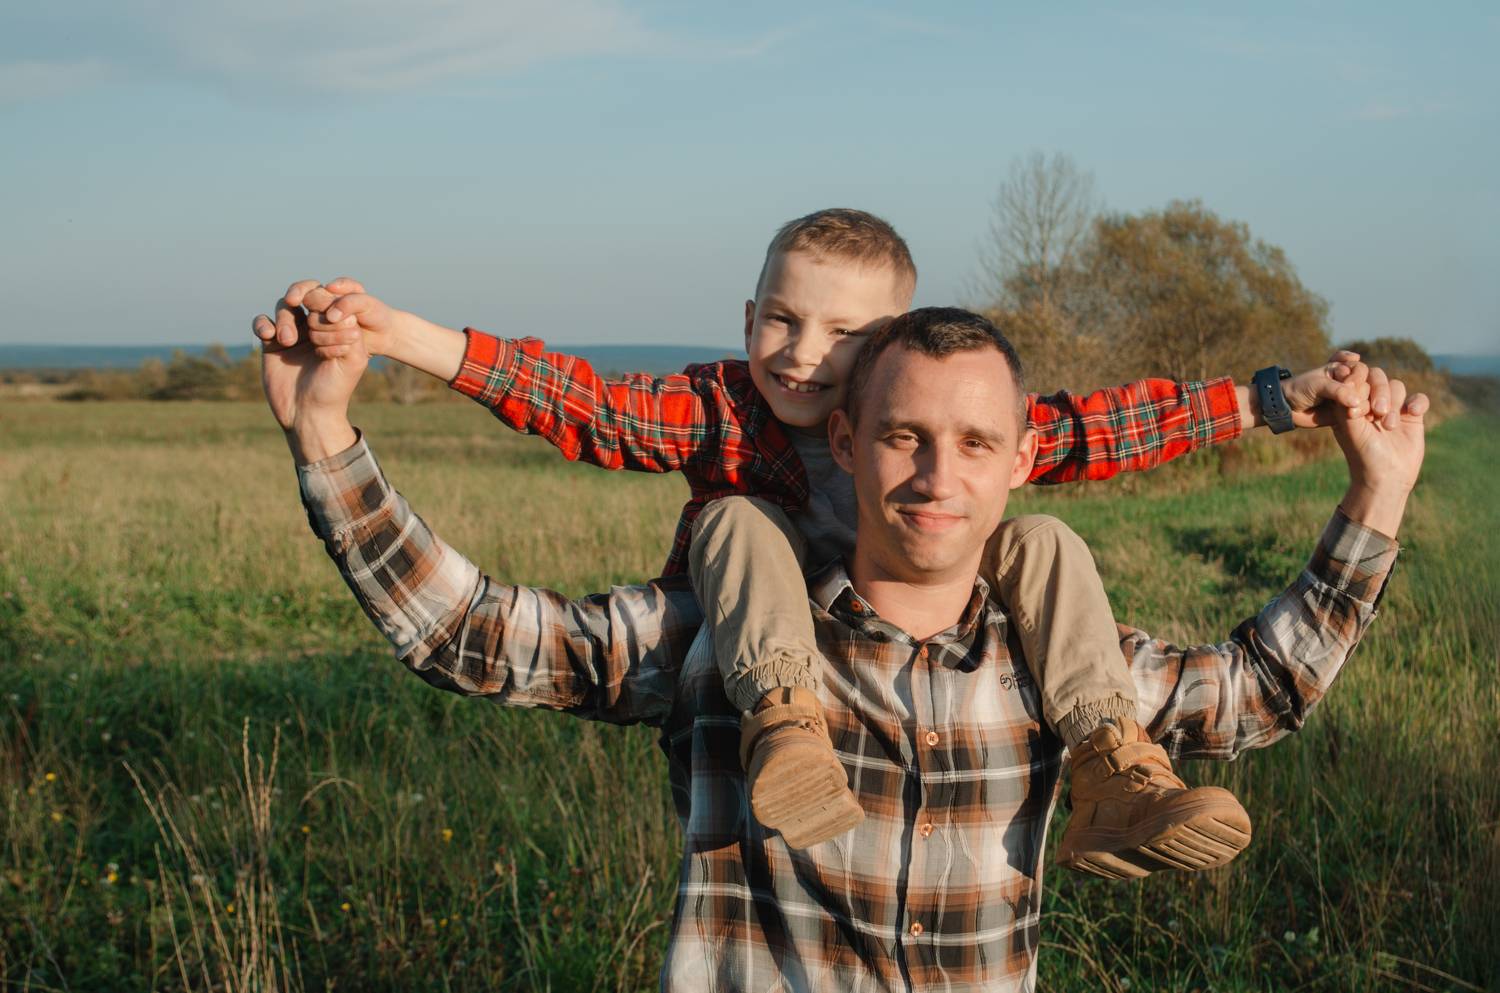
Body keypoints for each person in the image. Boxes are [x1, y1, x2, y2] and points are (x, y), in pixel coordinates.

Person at [261, 304, 1424, 991]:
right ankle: (790, 731)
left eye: (975, 443)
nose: (936, 475)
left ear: (1023, 459)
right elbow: (472, 635)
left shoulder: (1057, 653)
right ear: (848, 438)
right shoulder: (720, 632)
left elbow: (1256, 695)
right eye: (906, 436)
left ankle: (1115, 779)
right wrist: (324, 432)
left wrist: (1379, 493)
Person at [254, 208, 1384, 868]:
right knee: (739, 519)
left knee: (1046, 538)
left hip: (963, 633)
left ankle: (1109, 759)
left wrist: (1279, 402)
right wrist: (390, 345)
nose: (800, 355)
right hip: (755, 650)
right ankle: (786, 728)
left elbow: (1113, 428)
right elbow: (585, 407)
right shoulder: (724, 416)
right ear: (748, 319)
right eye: (782, 321)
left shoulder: (1006, 617)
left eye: (841, 334)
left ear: (890, 345)